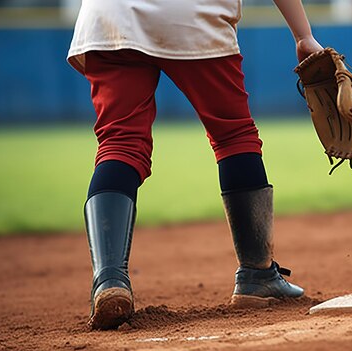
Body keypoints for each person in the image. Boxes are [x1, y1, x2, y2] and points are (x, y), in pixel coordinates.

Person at [67, 0, 323, 330]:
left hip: (110, 15)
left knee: (120, 143)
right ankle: (257, 276)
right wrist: (303, 36)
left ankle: (109, 280)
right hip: (190, 13)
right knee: (234, 135)